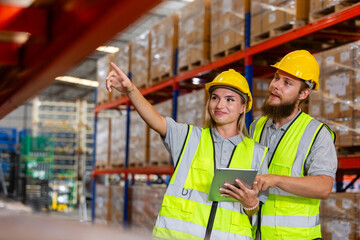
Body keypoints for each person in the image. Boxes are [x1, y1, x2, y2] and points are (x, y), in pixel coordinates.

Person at [106, 63, 269, 240]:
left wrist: (250, 203)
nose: (220, 104)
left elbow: (254, 210)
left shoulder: (257, 153)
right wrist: (130, 90)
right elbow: (156, 120)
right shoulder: (189, 138)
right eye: (215, 98)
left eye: (230, 99)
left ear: (243, 107)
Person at [249, 50, 337, 240]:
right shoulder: (257, 126)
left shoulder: (317, 133)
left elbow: (324, 187)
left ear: (304, 93)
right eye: (276, 78)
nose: (275, 86)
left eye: (287, 83)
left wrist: (276, 179)